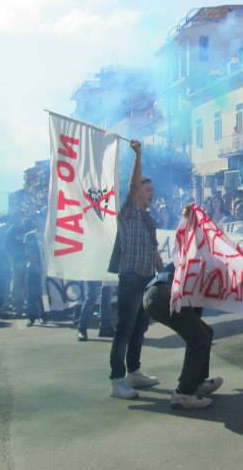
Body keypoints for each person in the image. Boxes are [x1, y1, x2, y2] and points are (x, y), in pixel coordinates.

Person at [144, 207, 222, 410]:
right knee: (199, 337)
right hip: (162, 296)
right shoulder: (198, 254)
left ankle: (197, 382)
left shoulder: (198, 252)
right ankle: (184, 393)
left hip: (157, 293)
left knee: (204, 333)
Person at [109, 140, 163, 400]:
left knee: (140, 327)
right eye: (147, 189)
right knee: (125, 329)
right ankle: (117, 380)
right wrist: (138, 156)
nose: (151, 193)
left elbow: (154, 253)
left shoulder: (148, 218)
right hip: (130, 278)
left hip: (146, 279)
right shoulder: (129, 212)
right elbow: (132, 186)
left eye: (152, 189)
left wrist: (164, 277)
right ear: (137, 192)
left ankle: (134, 372)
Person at [23, 226, 44, 327]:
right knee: (31, 294)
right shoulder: (30, 236)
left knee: (43, 294)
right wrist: (36, 266)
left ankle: (43, 315)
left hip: (46, 267)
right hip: (33, 268)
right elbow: (29, 252)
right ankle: (31, 317)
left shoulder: (48, 233)